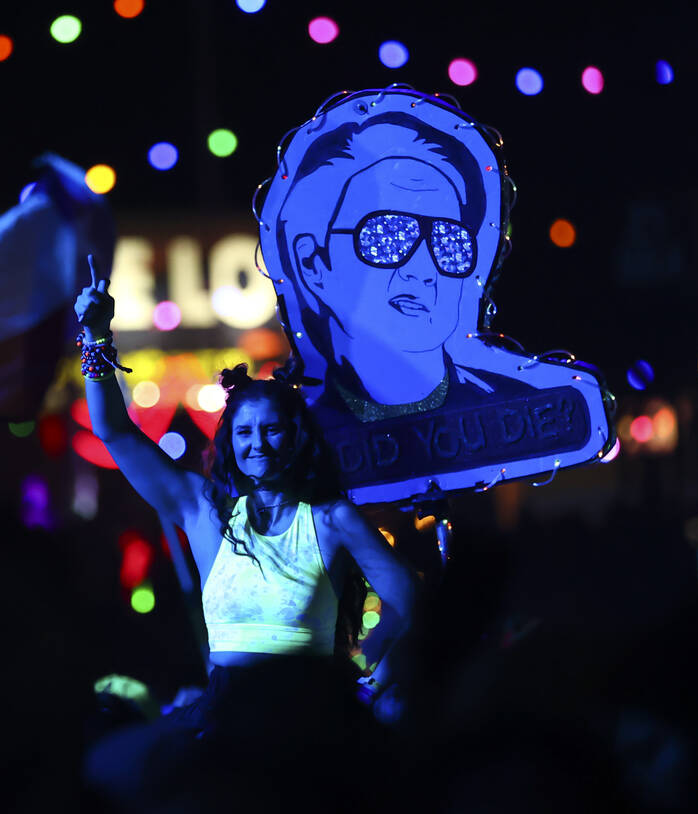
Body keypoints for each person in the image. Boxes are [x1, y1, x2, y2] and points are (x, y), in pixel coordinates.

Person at [77, 256, 417, 803]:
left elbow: (407, 599)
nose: (258, 443)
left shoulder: (331, 519)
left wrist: (359, 673)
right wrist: (96, 337)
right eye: (245, 432)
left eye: (273, 430)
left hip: (307, 723)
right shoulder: (206, 512)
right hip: (223, 712)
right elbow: (114, 433)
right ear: (230, 441)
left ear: (296, 437)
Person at [264, 105, 532, 422]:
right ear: (313, 262)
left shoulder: (515, 416)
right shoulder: (284, 433)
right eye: (387, 236)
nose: (422, 270)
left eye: (449, 242)